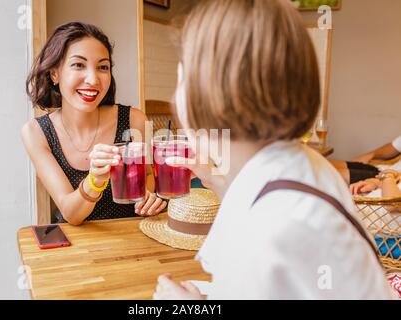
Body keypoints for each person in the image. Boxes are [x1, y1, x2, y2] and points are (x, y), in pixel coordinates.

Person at [153, 0, 394, 299]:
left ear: (212, 93)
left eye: (181, 79)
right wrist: (218, 180)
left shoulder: (275, 228)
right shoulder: (302, 163)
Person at [22, 22, 167, 225]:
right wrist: (95, 180)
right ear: (54, 73)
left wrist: (149, 199)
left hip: (133, 238)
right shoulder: (36, 132)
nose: (93, 79)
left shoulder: (134, 119)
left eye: (102, 67)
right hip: (80, 247)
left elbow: (148, 174)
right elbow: (71, 214)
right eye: (78, 65)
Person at [331, 135, 401, 185]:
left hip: (392, 178)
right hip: (384, 170)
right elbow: (394, 147)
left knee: (329, 174)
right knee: (327, 165)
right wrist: (371, 155)